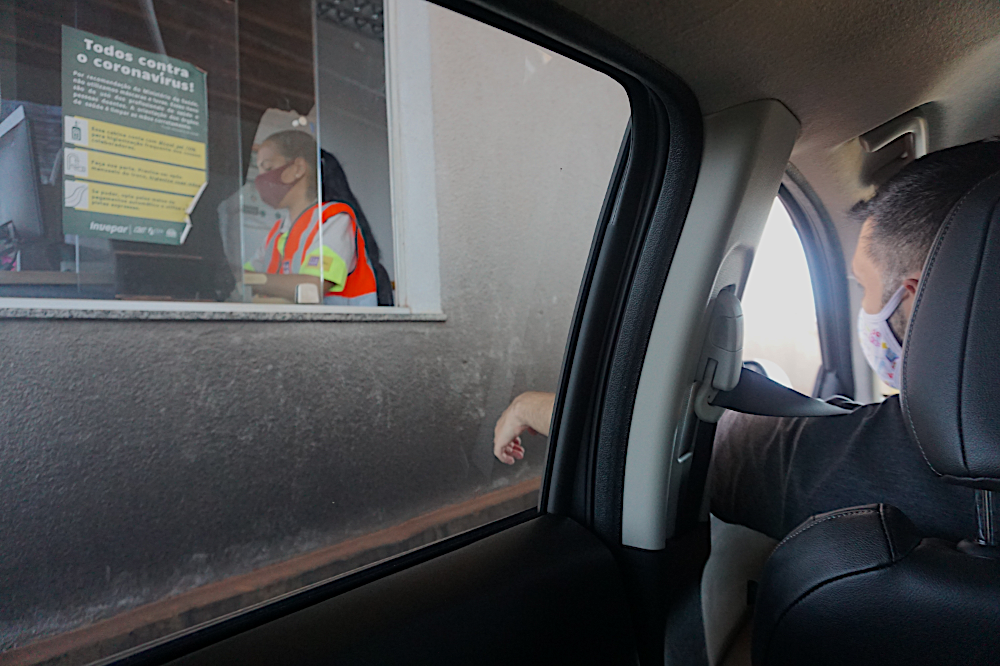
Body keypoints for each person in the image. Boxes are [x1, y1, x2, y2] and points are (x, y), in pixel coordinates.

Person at [494, 140, 1000, 543]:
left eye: (865, 288)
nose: (864, 313)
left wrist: (533, 405)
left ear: (923, 298)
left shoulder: (927, 452)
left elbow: (673, 445)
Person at [246, 131, 379, 306]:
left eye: (268, 168)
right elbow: (243, 277)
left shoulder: (333, 220)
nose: (260, 179)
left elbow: (312, 288)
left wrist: (251, 281)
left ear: (299, 168)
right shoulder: (277, 233)